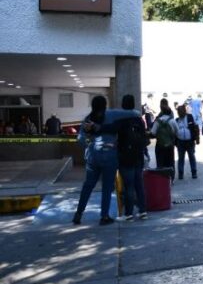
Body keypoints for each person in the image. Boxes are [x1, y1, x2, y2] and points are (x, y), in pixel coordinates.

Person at [72, 96, 139, 225]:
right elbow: (135, 113)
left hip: (93, 156)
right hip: (109, 155)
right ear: (104, 105)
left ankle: (78, 213)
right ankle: (104, 216)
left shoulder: (87, 119)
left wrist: (89, 142)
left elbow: (80, 139)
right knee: (107, 187)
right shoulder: (111, 114)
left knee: (88, 186)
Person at [117, 95, 149, 221]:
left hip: (126, 158)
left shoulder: (120, 120)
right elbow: (144, 137)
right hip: (138, 156)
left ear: (123, 104)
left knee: (128, 186)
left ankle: (129, 214)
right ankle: (143, 211)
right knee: (139, 185)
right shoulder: (139, 119)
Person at [151, 99, 178, 170]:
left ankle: (161, 176)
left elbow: (153, 133)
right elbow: (177, 132)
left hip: (160, 145)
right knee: (170, 164)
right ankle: (170, 176)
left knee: (160, 164)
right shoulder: (172, 120)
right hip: (170, 144)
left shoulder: (158, 120)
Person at [175, 105, 200, 180]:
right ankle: (180, 173)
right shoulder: (177, 120)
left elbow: (196, 127)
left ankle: (194, 172)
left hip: (190, 141)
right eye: (179, 112)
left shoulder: (190, 117)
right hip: (180, 142)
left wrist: (197, 139)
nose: (180, 113)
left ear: (184, 111)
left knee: (191, 156)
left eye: (181, 111)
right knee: (181, 158)